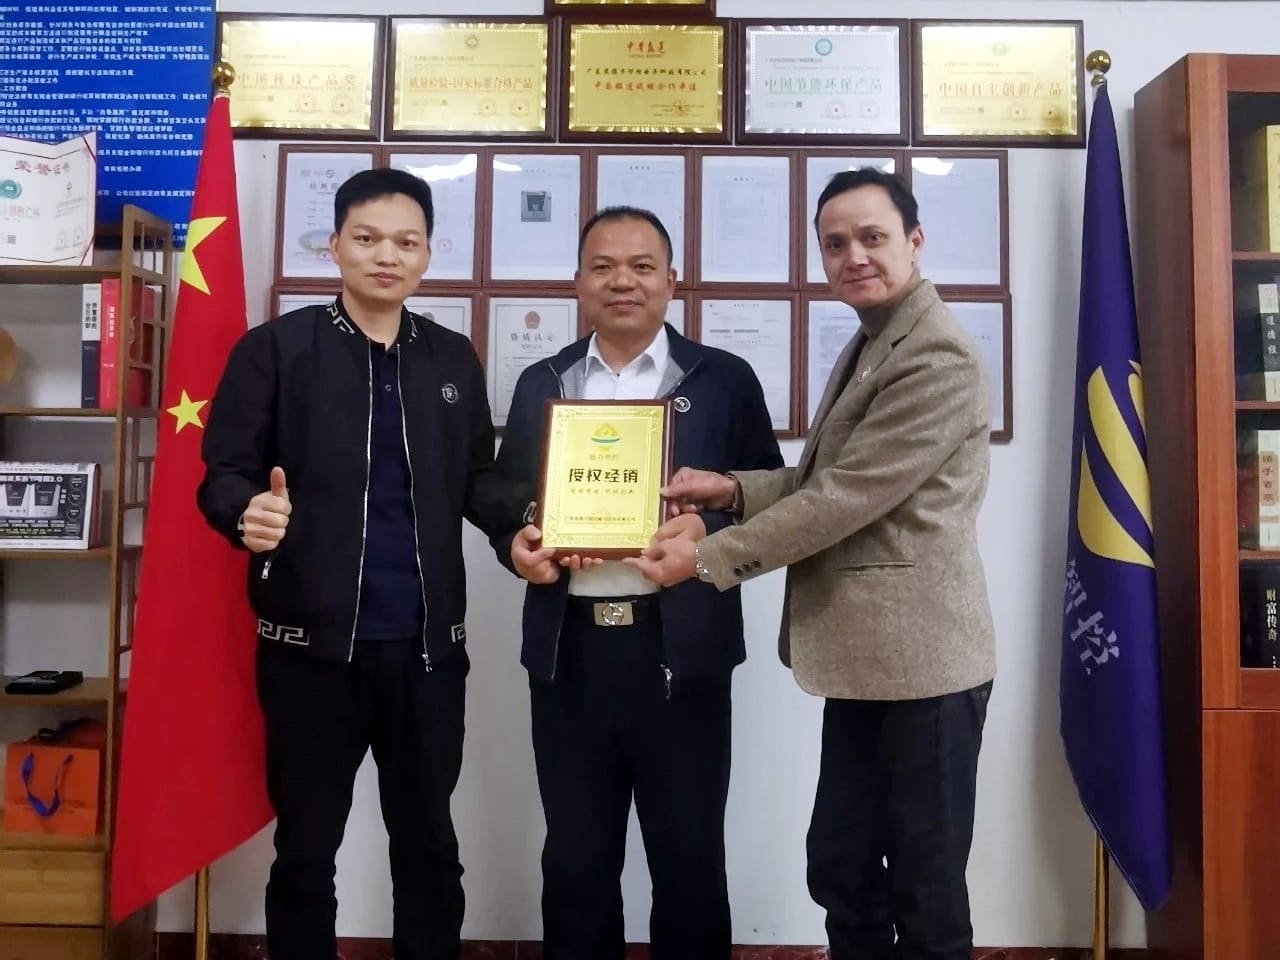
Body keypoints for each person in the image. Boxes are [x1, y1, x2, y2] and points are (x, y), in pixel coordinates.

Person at [627, 168, 996, 960]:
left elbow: (845, 499)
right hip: (867, 661)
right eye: (835, 243)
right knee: (842, 867)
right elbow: (827, 478)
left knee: (926, 890)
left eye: (873, 237)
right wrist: (731, 488)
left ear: (914, 242)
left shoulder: (936, 355)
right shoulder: (875, 339)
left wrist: (708, 557)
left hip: (925, 664)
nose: (853, 256)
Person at [196, 167, 523, 960]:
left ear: (427, 254)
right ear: (335, 245)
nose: (387, 256)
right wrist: (247, 511)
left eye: (406, 242)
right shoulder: (277, 351)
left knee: (430, 848)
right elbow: (222, 474)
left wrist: (522, 527)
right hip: (309, 654)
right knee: (306, 853)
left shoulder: (451, 358)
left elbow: (478, 479)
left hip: (427, 652)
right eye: (368, 238)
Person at [493, 206, 783, 960]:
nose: (623, 280)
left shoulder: (723, 379)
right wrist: (521, 539)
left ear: (672, 280)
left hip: (680, 653)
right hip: (569, 655)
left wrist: (706, 530)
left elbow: (767, 496)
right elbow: (506, 496)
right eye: (603, 266)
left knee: (689, 860)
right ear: (578, 281)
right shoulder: (542, 381)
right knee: (576, 861)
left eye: (642, 266)